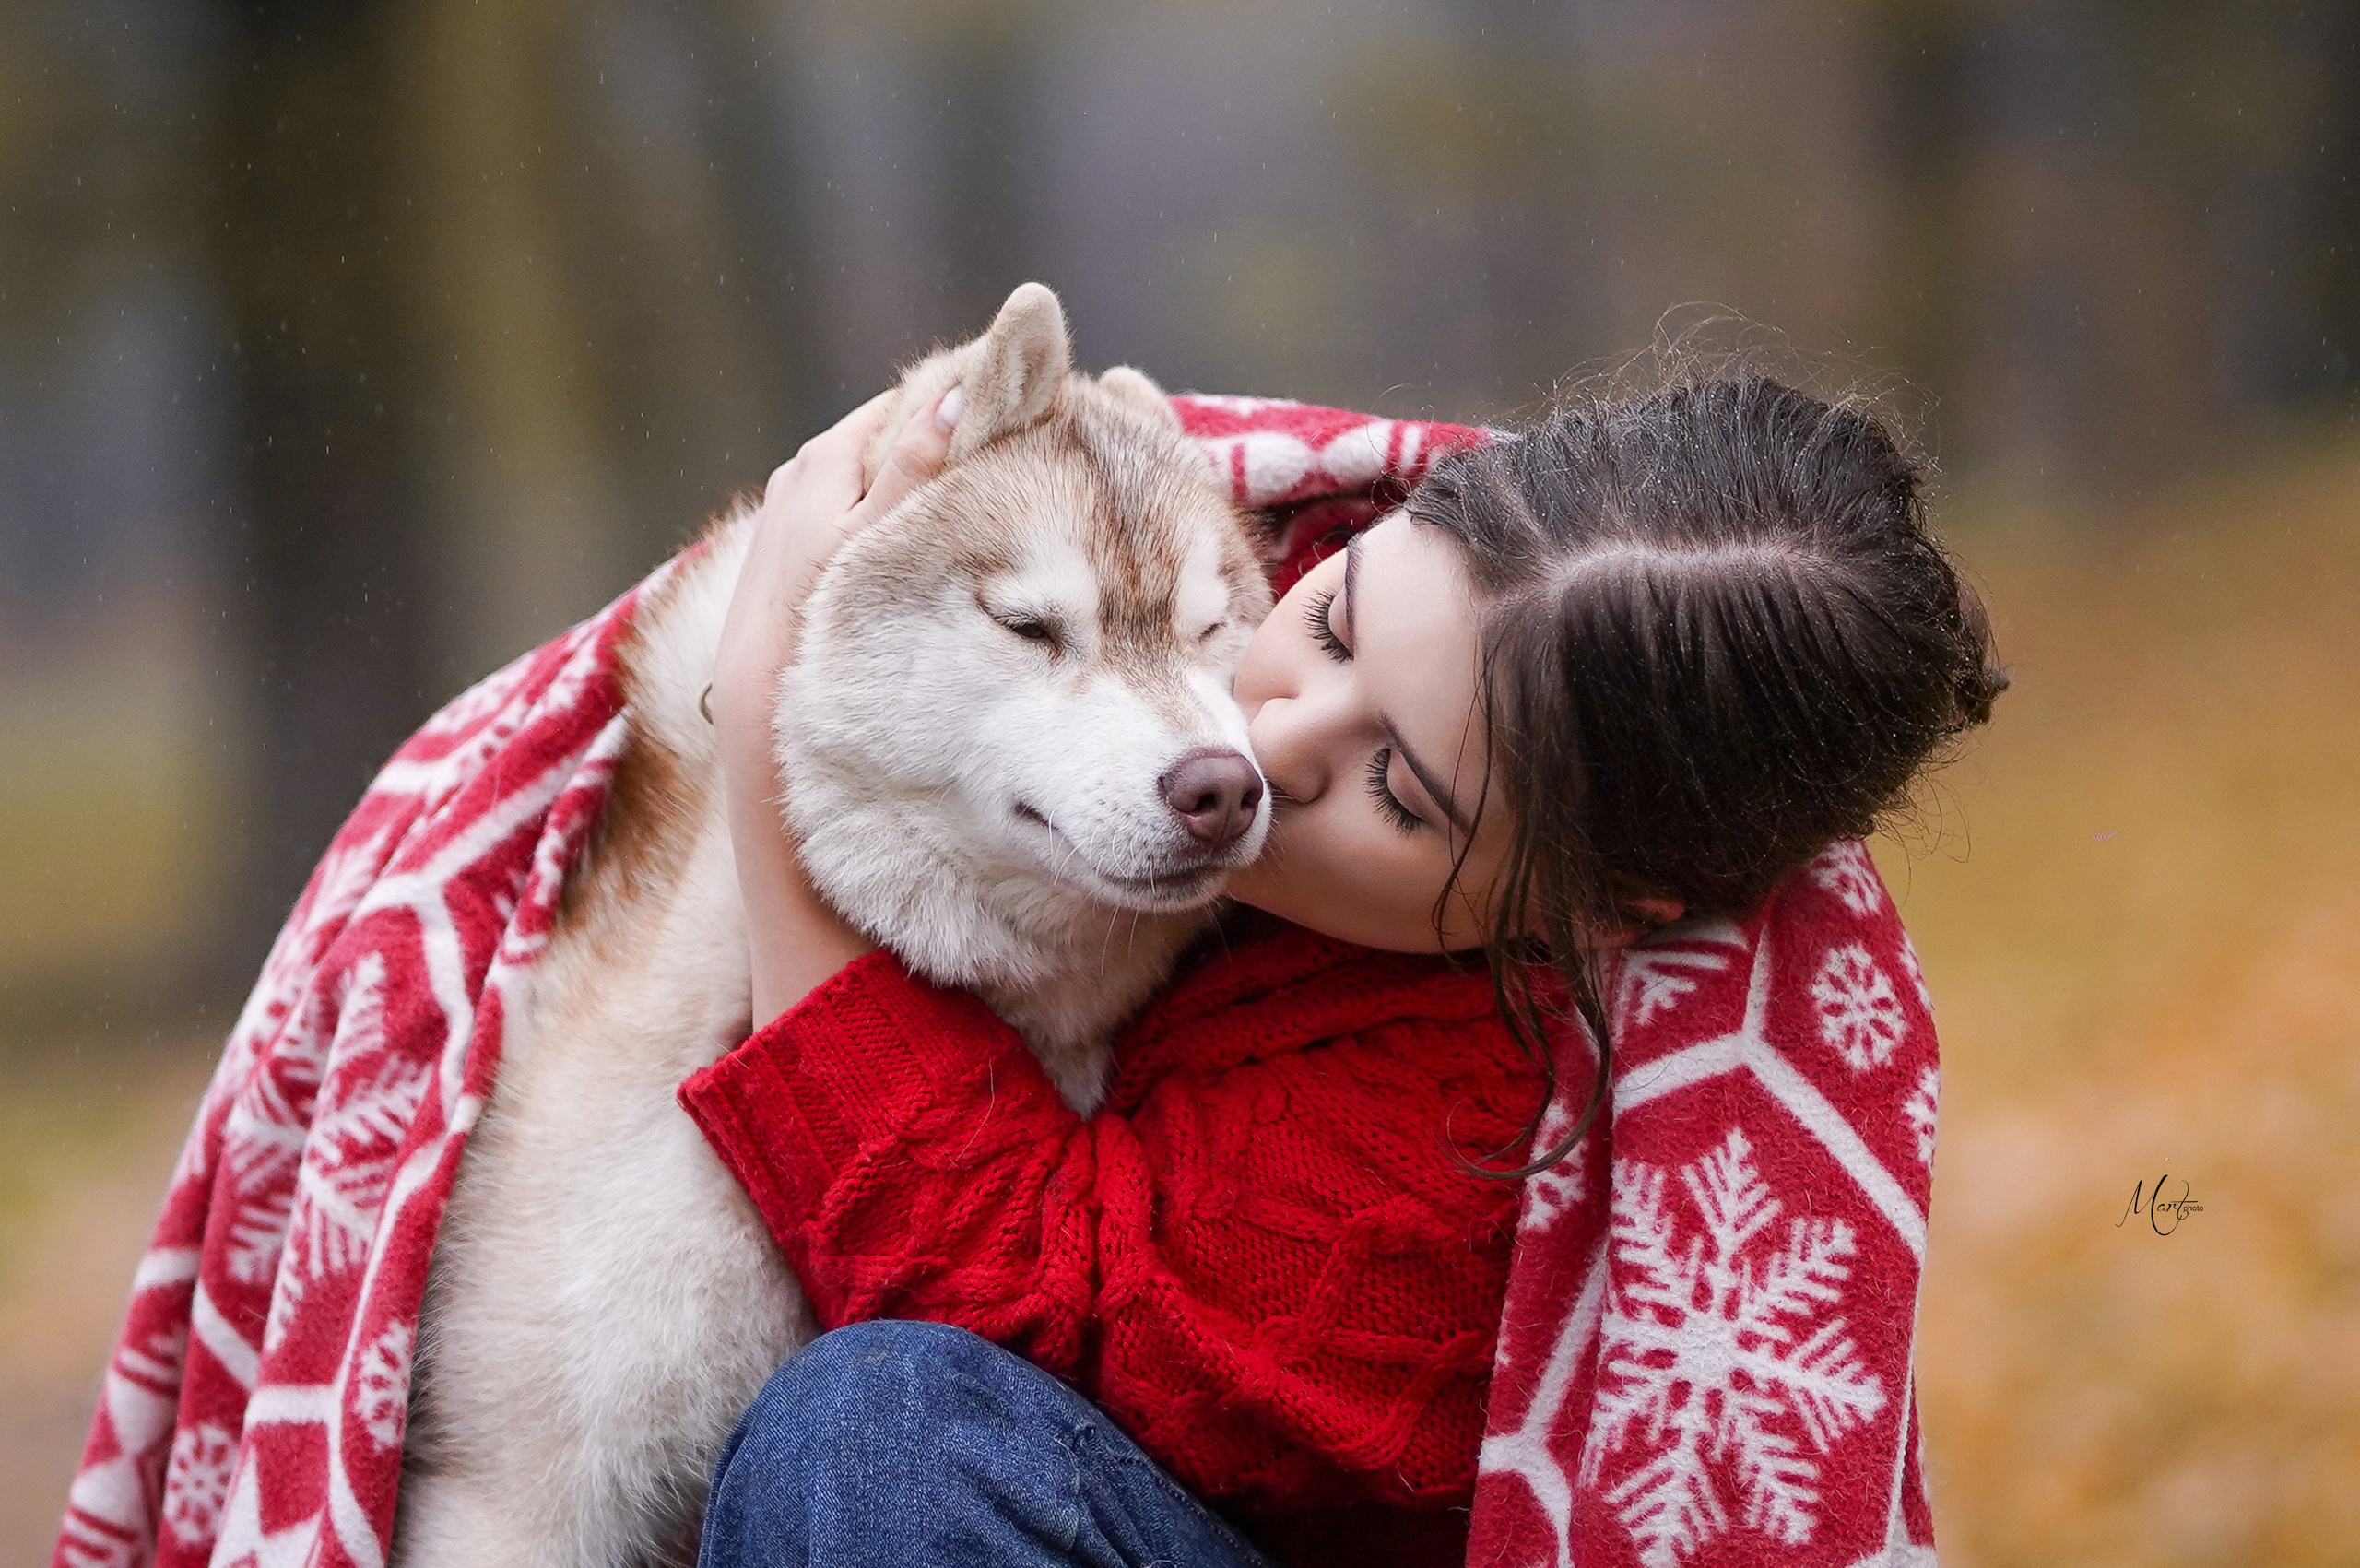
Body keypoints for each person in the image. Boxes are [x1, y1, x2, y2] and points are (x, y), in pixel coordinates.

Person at [681, 367, 2003, 1568]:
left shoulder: (1485, 1150)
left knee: (876, 1436)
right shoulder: (1246, 547)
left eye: (1399, 786)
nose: (1268, 739)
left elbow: (1015, 1303)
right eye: (1334, 627)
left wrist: (760, 706)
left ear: (1599, 904)